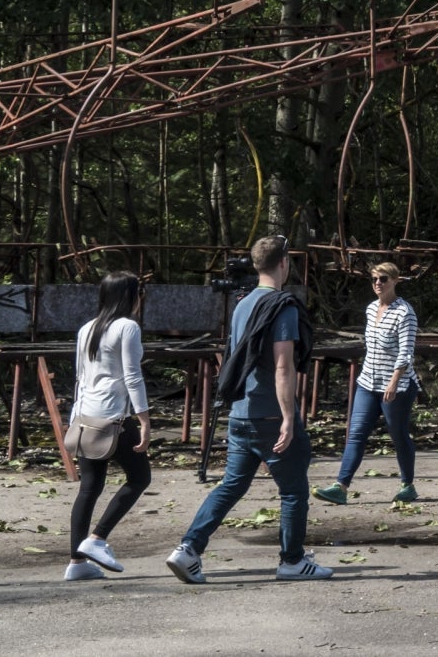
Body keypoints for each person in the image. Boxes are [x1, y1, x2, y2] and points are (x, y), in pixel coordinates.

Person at [169, 236, 332, 583]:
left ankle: (188, 549)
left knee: (230, 485)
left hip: (241, 412)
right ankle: (292, 561)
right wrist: (289, 417)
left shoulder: (242, 304)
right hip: (270, 413)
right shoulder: (282, 306)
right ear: (284, 263)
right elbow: (283, 366)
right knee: (293, 492)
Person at [65, 272, 153, 581]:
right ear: (130, 296)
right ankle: (97, 539)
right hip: (115, 418)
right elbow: (132, 376)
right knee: (140, 477)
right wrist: (144, 419)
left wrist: (74, 419)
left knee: (89, 488)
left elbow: (80, 378)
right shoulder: (127, 327)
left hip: (87, 417)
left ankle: (77, 563)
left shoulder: (86, 329)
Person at [316, 261, 420, 506]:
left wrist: (394, 383)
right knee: (356, 434)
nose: (378, 283)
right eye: (374, 278)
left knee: (398, 435)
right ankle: (340, 487)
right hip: (367, 382)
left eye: (383, 278)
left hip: (396, 386)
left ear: (395, 280)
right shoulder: (372, 309)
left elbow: (406, 352)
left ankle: (408, 485)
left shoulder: (405, 313)